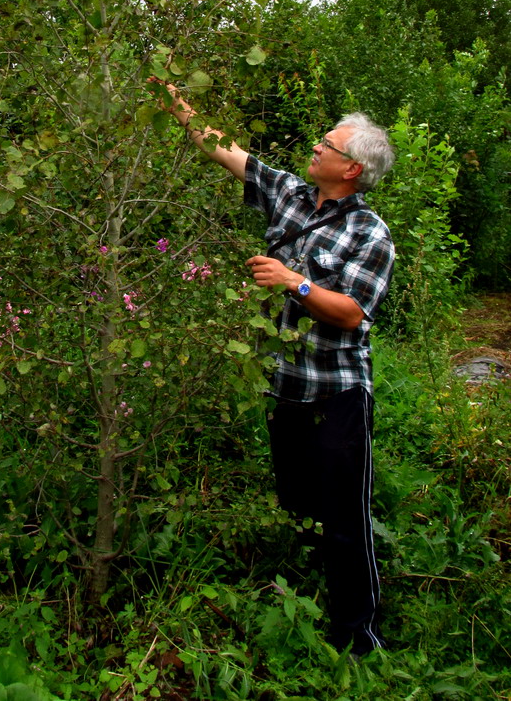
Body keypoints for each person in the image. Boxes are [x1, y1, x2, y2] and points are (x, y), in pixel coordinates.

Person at [157, 82, 395, 655]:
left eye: (327, 145)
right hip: (285, 386)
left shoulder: (370, 234)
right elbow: (224, 150)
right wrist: (178, 106)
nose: (315, 148)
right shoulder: (288, 193)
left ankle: (358, 638)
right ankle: (307, 598)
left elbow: (352, 313)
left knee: (345, 517)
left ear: (352, 169)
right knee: (297, 502)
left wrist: (296, 281)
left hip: (338, 393)